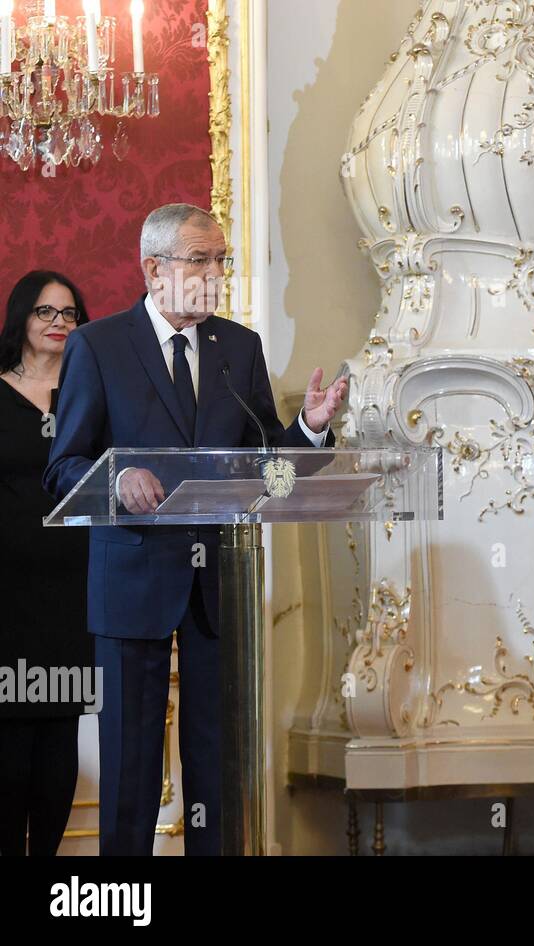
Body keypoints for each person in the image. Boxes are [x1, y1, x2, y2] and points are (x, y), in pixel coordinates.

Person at [44, 204, 348, 856]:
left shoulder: (239, 347)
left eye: (221, 261)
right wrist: (117, 479)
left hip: (218, 588)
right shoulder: (97, 347)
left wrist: (312, 430)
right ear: (154, 269)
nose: (215, 274)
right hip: (131, 584)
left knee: (217, 767)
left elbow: (271, 466)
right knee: (129, 769)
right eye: (200, 260)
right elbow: (63, 465)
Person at [0, 271, 92, 856]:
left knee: (60, 751)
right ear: (21, 320)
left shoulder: (93, 392)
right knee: (9, 757)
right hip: (8, 600)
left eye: (69, 313)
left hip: (77, 597)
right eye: (45, 312)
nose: (58, 323)